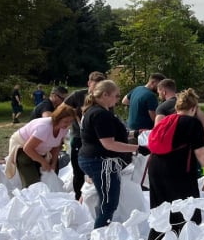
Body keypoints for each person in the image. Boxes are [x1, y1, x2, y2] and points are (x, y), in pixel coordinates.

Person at [145, 89, 204, 240]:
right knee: (188, 209)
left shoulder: (165, 121)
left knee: (161, 211)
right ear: (194, 108)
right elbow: (201, 152)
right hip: (178, 171)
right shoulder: (192, 123)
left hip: (155, 169)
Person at [79, 80, 140, 229]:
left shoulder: (95, 111)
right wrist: (137, 148)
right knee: (109, 203)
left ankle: (101, 231)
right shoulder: (100, 114)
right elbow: (109, 143)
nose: (118, 99)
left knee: (106, 201)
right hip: (101, 162)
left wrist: (134, 134)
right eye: (116, 95)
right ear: (105, 95)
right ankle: (100, 234)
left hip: (95, 160)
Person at [5, 104, 76, 188]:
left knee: (51, 172)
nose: (68, 124)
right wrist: (43, 162)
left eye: (71, 121)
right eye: (65, 121)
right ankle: (31, 189)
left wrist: (53, 163)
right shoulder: (44, 128)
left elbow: (56, 146)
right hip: (22, 147)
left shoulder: (63, 129)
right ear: (57, 119)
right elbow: (27, 148)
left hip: (40, 149)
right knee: (32, 180)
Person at [64, 71, 106, 200]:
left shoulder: (104, 97)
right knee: (78, 171)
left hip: (96, 138)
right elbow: (63, 108)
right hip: (78, 136)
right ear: (89, 83)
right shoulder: (78, 95)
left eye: (101, 85)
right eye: (95, 85)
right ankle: (78, 197)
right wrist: (76, 117)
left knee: (93, 171)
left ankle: (91, 197)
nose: (98, 88)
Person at [123, 73, 165, 138]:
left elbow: (124, 101)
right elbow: (154, 117)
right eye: (159, 85)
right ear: (153, 82)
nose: (160, 88)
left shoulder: (137, 89)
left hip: (131, 129)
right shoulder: (151, 96)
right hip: (143, 132)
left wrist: (137, 105)